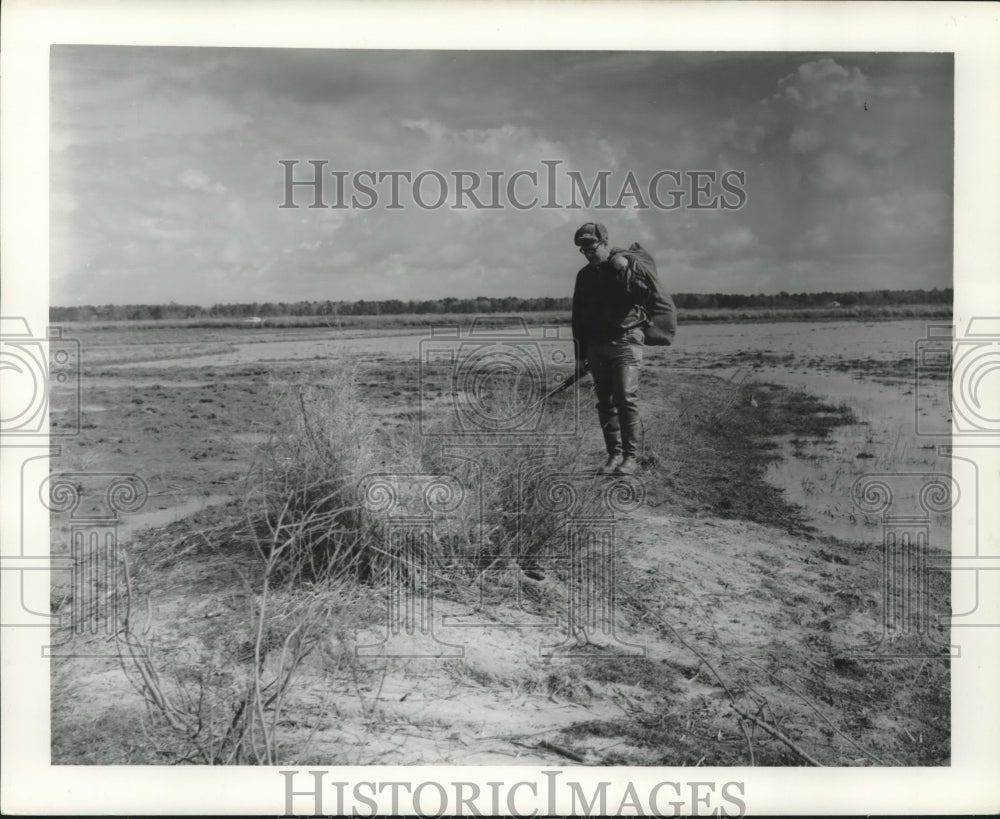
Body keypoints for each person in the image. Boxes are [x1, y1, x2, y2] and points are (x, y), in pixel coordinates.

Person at [571, 221, 667, 475]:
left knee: (626, 398)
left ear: (603, 242)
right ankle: (613, 456)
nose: (587, 252)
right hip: (595, 345)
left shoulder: (626, 266)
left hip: (625, 340)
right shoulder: (584, 276)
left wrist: (625, 270)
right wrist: (580, 357)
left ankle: (631, 458)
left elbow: (644, 297)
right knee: (605, 402)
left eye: (591, 246)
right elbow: (577, 317)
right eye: (583, 249)